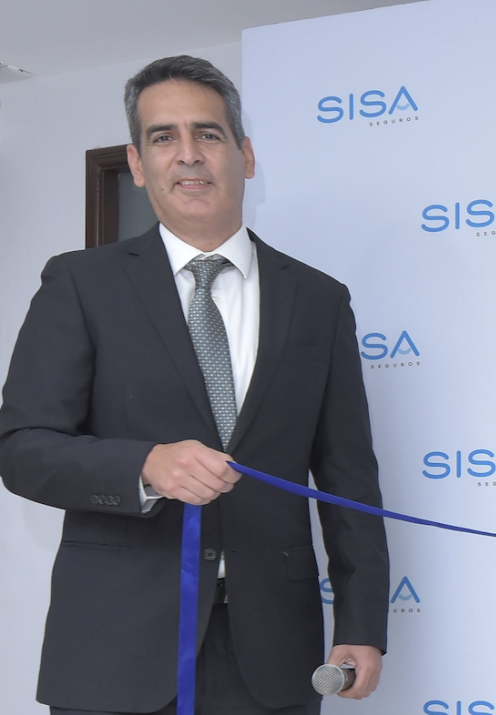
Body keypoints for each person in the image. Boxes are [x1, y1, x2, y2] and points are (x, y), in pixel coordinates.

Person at [0, 55, 389, 715]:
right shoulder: (80, 284)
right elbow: (22, 449)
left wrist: (362, 622)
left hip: (273, 654)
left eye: (208, 134)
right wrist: (145, 465)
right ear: (136, 162)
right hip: (114, 651)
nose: (188, 154)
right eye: (163, 137)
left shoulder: (320, 300)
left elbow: (349, 477)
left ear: (246, 155)